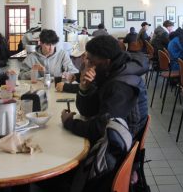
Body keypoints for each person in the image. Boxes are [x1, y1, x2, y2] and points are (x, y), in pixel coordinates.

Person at [59, 35, 148, 191]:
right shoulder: (111, 72)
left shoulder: (120, 86)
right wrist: (84, 88)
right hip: (113, 141)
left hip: (115, 155)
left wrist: (69, 123)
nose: (87, 64)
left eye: (91, 61)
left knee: (59, 167)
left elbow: (100, 129)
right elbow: (89, 110)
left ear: (106, 62)